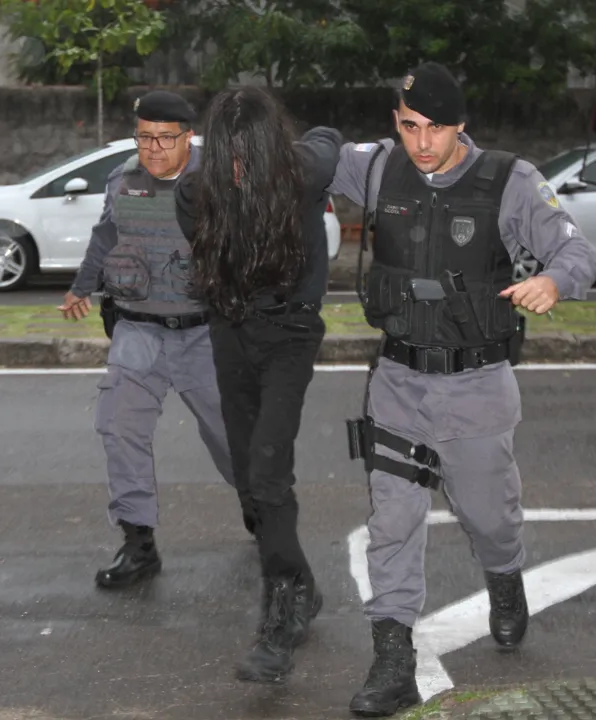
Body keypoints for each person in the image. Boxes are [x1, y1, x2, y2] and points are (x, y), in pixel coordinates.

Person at [326, 62, 596, 717]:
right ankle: (392, 659)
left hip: (476, 383)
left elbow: (576, 253)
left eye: (437, 129)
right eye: (410, 126)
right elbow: (304, 161)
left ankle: (504, 580)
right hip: (396, 379)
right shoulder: (374, 166)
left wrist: (553, 283)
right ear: (395, 121)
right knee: (391, 520)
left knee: (489, 519)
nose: (421, 143)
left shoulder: (510, 181)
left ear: (461, 127)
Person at [172, 87, 343, 682]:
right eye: (229, 154)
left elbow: (330, 137)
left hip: (291, 335)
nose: (239, 166)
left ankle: (281, 614)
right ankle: (304, 586)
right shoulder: (196, 194)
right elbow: (208, 266)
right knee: (249, 479)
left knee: (269, 473)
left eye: (252, 153)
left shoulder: (305, 171)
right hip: (231, 331)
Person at [58, 90, 244, 591]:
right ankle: (138, 543)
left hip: (204, 333)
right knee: (118, 428)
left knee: (230, 436)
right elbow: (105, 237)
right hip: (138, 328)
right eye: (144, 137)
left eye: (165, 138)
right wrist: (82, 287)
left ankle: (258, 505)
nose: (154, 148)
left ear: (188, 137)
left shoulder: (222, 181)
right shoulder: (123, 181)